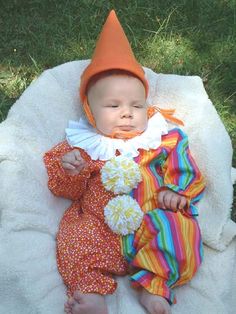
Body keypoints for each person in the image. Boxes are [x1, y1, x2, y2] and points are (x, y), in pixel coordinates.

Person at [44, 10, 205, 314]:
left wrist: (177, 190)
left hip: (150, 220)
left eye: (136, 105)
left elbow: (182, 163)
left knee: (180, 230)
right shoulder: (83, 144)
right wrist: (71, 170)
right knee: (74, 238)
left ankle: (154, 284)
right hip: (98, 225)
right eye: (113, 105)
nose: (127, 113)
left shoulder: (161, 138)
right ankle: (90, 291)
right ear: (91, 113)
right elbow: (64, 189)